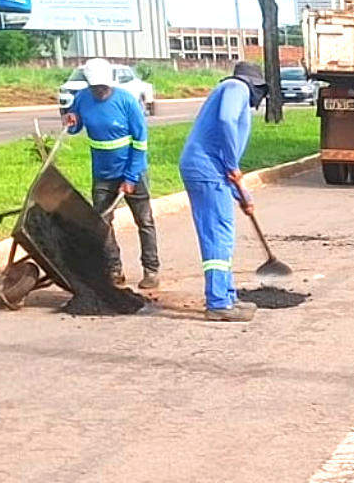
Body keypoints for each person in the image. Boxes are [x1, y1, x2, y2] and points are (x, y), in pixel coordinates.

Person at [178, 60, 266, 324]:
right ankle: (217, 302)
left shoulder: (231, 90)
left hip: (211, 170)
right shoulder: (235, 86)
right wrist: (232, 163)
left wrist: (244, 198)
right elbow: (226, 119)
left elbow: (228, 167)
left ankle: (227, 296)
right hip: (207, 171)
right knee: (217, 235)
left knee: (222, 234)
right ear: (254, 84)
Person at [60, 58, 158, 291]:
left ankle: (151, 270)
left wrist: (131, 178)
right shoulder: (83, 98)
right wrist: (71, 121)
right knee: (102, 222)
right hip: (103, 174)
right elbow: (75, 126)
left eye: (104, 87)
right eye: (96, 88)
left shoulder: (127, 102)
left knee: (144, 221)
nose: (101, 92)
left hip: (132, 170)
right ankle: (114, 269)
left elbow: (140, 142)